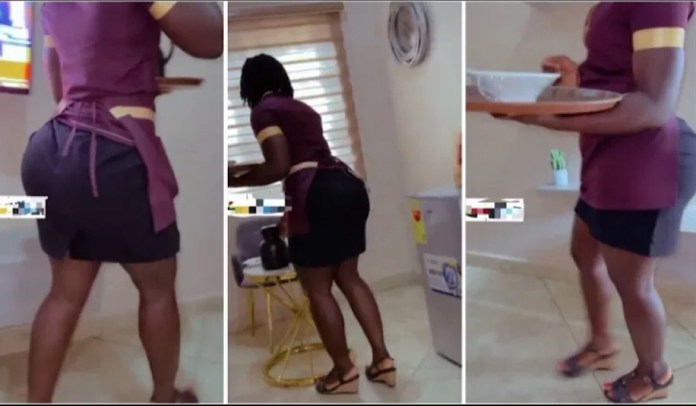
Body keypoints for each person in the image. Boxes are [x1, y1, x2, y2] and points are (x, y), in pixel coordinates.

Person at [20, 2, 223, 403]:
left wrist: (132, 80)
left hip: (53, 148)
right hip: (109, 154)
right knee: (157, 290)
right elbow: (213, 38)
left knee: (64, 295)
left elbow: (62, 85)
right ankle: (164, 398)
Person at [496, 2, 695, 403]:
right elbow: (619, 77)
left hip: (646, 163)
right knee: (584, 250)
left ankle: (655, 373)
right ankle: (602, 343)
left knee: (633, 284)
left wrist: (542, 116)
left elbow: (654, 105)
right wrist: (577, 77)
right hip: (608, 157)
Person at [228, 54, 395, 395]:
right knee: (350, 278)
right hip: (347, 185)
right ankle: (383, 361)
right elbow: (302, 160)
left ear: (249, 87)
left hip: (317, 194)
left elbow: (279, 166)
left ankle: (344, 372)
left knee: (317, 289)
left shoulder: (263, 111)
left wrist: (235, 181)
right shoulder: (302, 109)